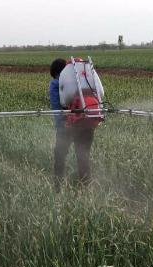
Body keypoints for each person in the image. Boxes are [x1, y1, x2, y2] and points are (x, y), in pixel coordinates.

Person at [49, 58, 96, 191]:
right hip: (87, 123)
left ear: (56, 72)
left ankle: (57, 189)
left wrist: (62, 127)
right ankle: (85, 190)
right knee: (83, 157)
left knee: (60, 157)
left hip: (68, 127)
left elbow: (57, 108)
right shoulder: (82, 81)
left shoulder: (56, 83)